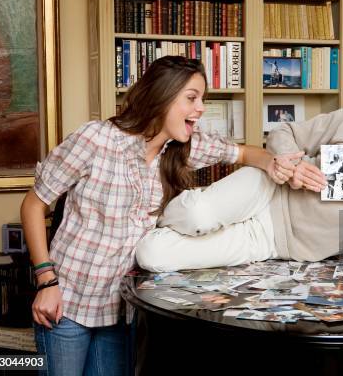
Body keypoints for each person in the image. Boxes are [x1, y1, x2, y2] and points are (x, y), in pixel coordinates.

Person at [20, 56, 297, 376]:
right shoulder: (96, 139)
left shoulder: (184, 149)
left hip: (119, 310)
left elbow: (247, 153)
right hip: (64, 302)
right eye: (192, 98)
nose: (201, 108)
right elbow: (33, 204)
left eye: (202, 99)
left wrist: (274, 164)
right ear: (162, 95)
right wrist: (46, 281)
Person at [135, 43, 343, 274]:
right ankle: (143, 219)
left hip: (277, 241)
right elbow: (285, 132)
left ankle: (144, 233)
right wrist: (288, 162)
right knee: (196, 213)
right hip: (267, 188)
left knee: (152, 254)